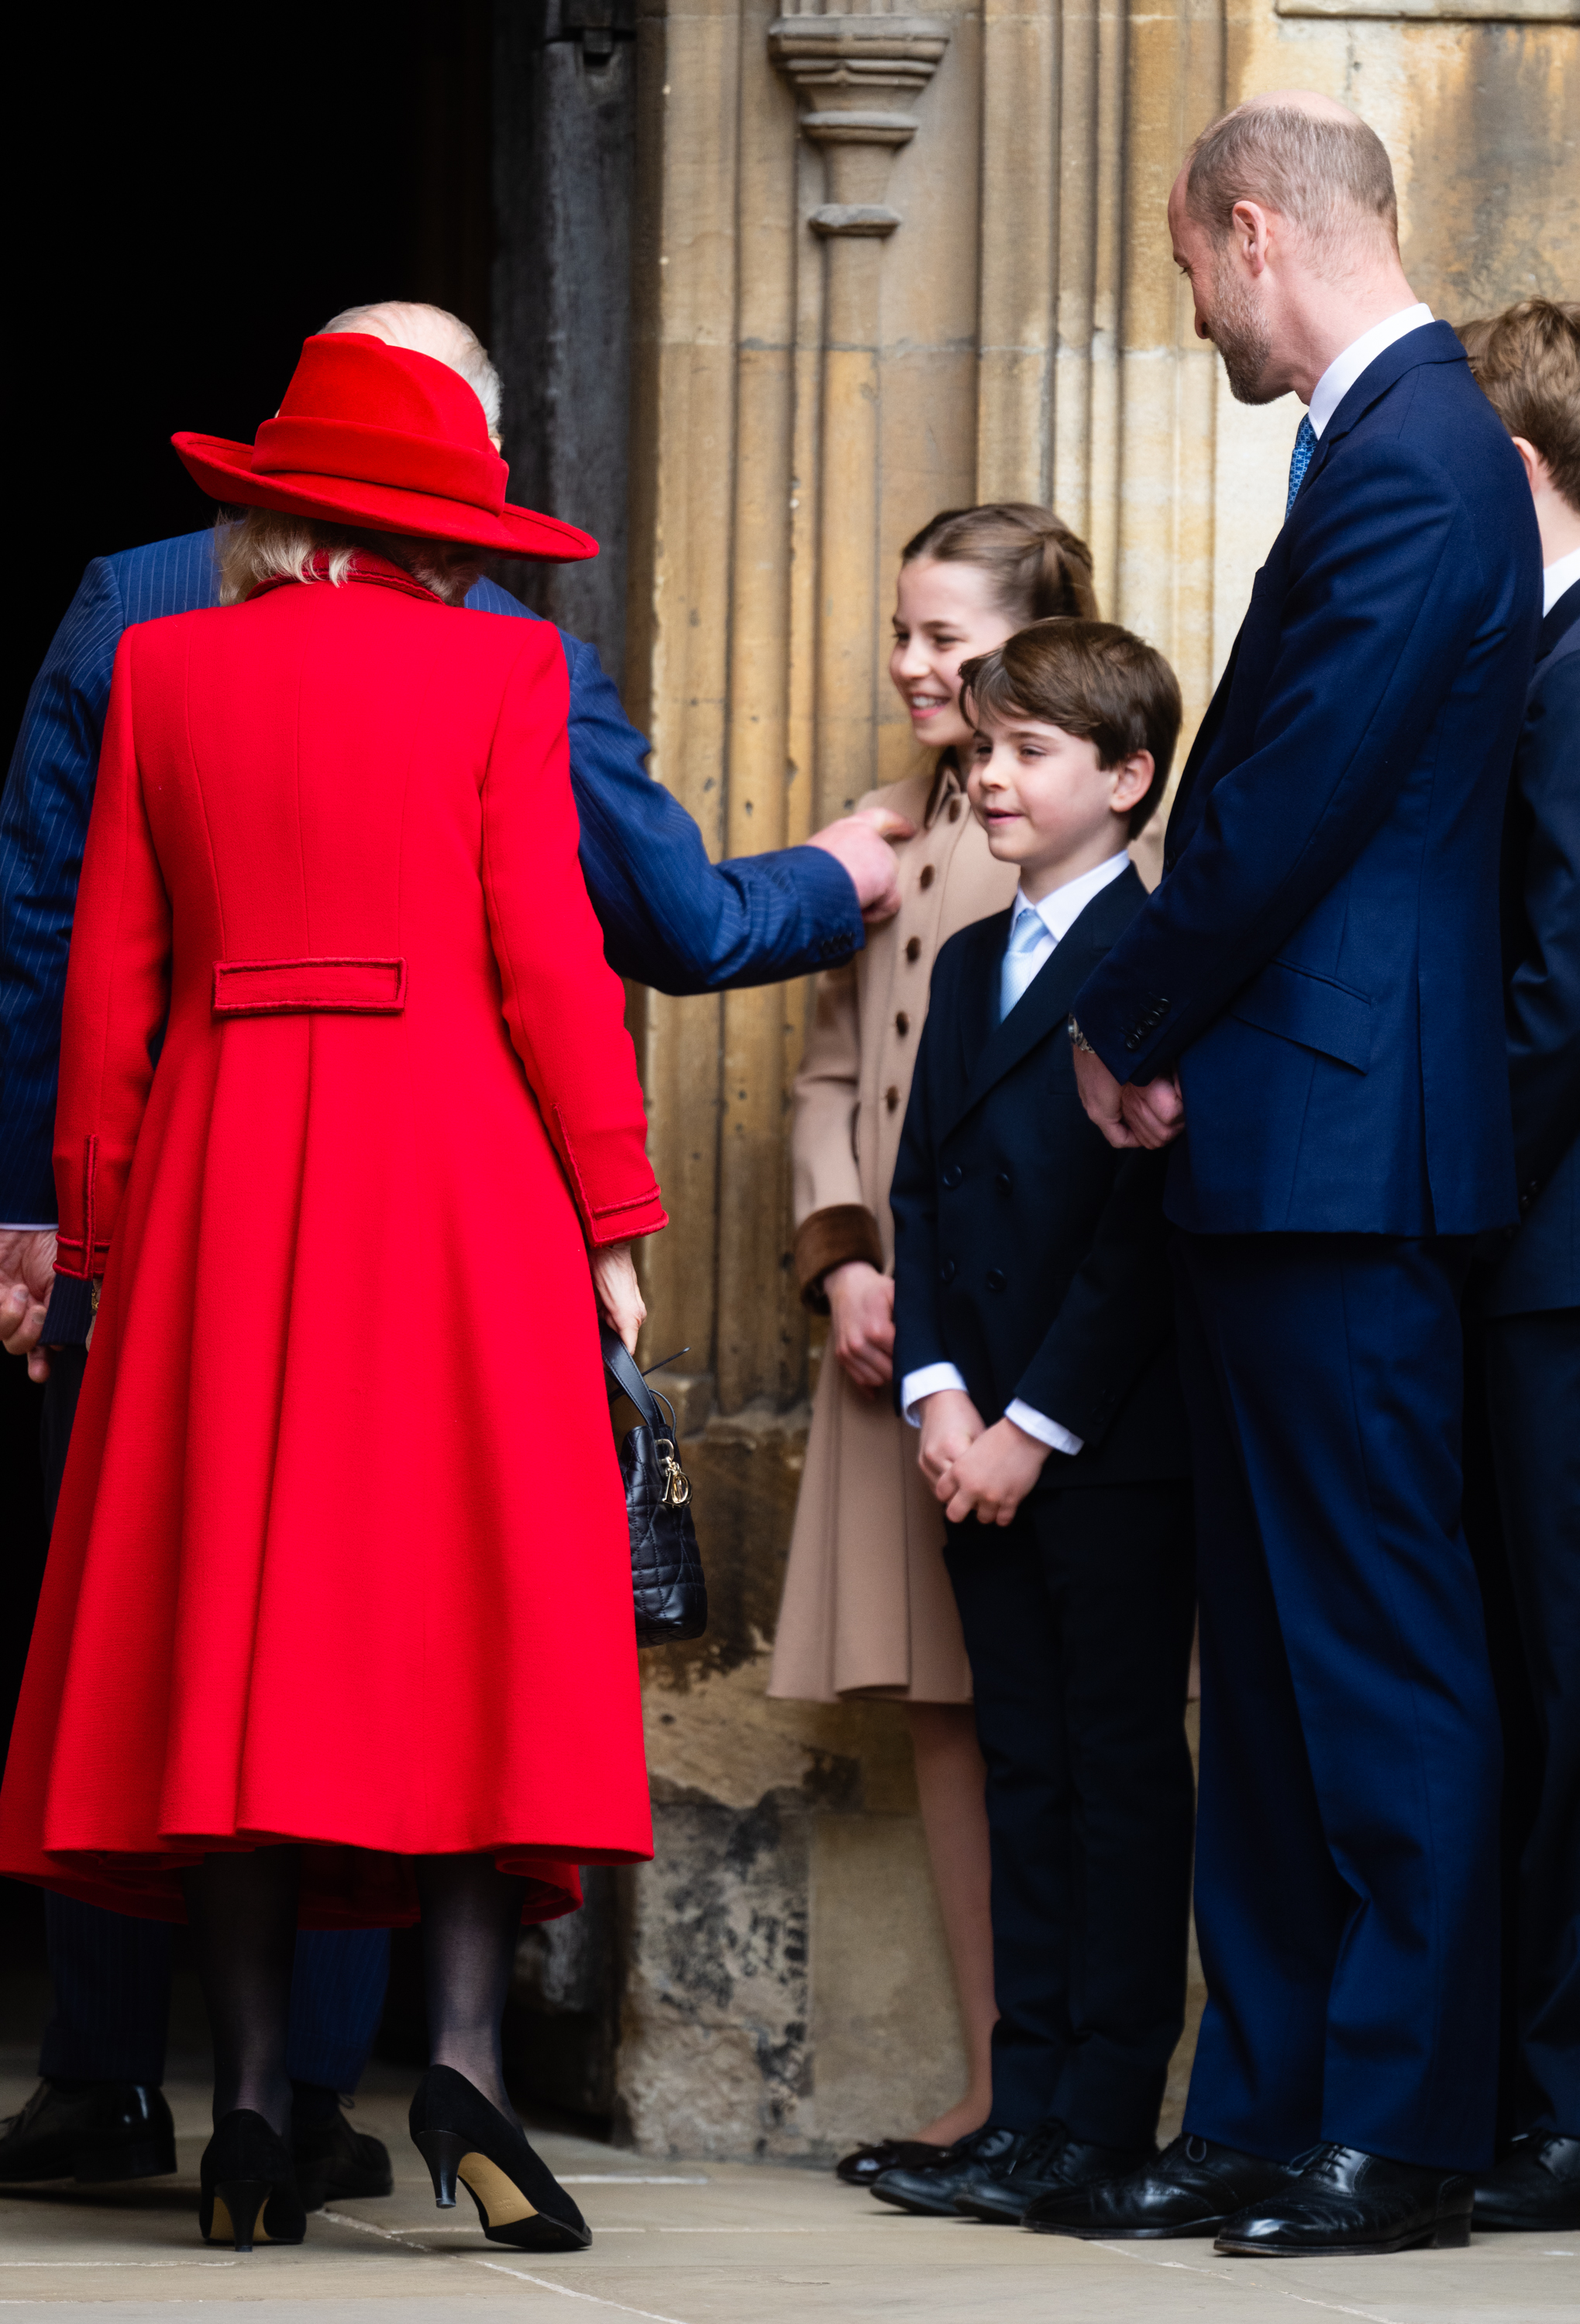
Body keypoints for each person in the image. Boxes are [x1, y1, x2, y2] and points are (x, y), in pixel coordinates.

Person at [0, 301, 903, 2199]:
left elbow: (102, 993)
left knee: (236, 1626)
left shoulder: (165, 672)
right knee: (470, 1609)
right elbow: (555, 971)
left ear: (276, 506)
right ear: (443, 522)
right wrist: (616, 1221)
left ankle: (247, 2113)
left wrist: (90, 1233)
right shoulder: (502, 681)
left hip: (222, 1183)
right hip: (462, 1179)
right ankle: (472, 2069)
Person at [1034, 94, 1541, 2258]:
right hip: (1285, 1131)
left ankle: (1405, 2128)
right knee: (1265, 1660)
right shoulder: (1393, 447)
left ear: (1253, 233)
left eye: (1186, 268)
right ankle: (1265, 2101)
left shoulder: (1419, 449)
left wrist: (1120, 1017)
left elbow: (1293, 797)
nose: (1193, 309)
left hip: (1346, 1137)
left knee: (1376, 1649)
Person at [770, 505, 1097, 2181]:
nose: (911, 665)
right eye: (902, 634)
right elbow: (831, 1079)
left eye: (947, 642)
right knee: (949, 1717)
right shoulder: (878, 832)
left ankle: (1046, 2086)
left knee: (1045, 1706)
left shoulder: (1079, 842)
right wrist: (842, 1266)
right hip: (884, 1347)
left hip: (1011, 1355)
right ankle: (992, 2082)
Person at [882, 617, 1194, 2229]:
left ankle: (1105, 2119)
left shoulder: (1153, 956)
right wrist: (938, 1395)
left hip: (1101, 1445)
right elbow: (922, 1189)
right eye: (984, 747)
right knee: (1023, 1765)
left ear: (1128, 779)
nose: (990, 774)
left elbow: (1139, 1231)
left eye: (1030, 752)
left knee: (1118, 1771)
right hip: (968, 1437)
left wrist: (1032, 1423)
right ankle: (1027, 2097)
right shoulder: (964, 952)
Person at [1455, 298, 1580, 2233]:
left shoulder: (1569, 666)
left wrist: (1446, 1186)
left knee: (1562, 1681)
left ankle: (1559, 2094)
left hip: (1550, 1252)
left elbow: (1558, 989)